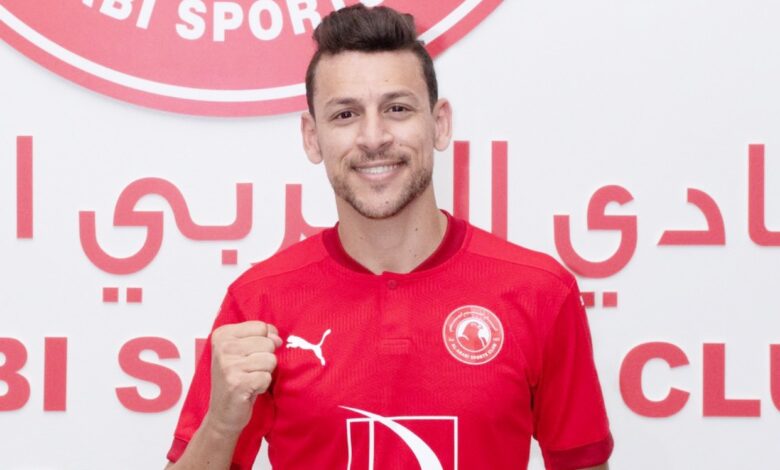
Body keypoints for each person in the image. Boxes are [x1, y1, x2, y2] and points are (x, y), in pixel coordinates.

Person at [165, 5, 613, 470]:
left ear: (439, 123)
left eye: (397, 109)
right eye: (345, 114)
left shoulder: (540, 291)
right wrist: (221, 425)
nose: (374, 137)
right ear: (312, 137)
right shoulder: (259, 302)